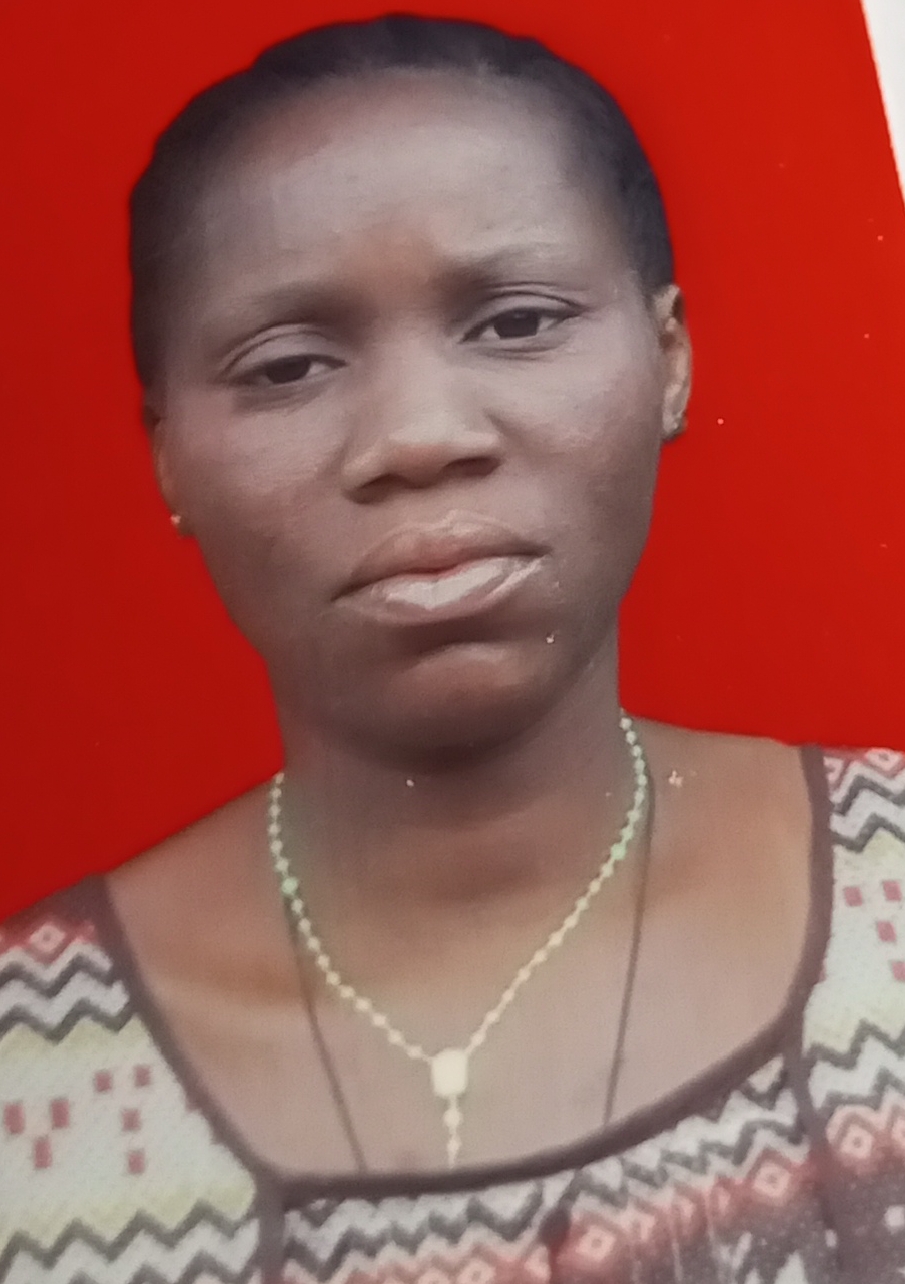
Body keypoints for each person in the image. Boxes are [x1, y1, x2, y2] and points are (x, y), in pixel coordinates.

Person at [1, 12, 903, 1283]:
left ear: (667, 359)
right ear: (167, 458)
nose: (418, 436)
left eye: (516, 323)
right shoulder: (31, 1082)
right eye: (287, 367)